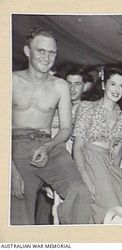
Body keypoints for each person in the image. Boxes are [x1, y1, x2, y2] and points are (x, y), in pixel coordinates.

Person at [11, 27, 91, 225]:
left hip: (50, 147)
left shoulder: (60, 85)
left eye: (52, 52)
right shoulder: (10, 81)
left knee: (79, 191)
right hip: (15, 149)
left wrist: (47, 147)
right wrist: (9, 171)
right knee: (19, 209)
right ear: (28, 52)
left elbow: (66, 129)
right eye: (41, 51)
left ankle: (72, 240)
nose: (47, 57)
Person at [73, 65, 122, 223]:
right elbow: (78, 147)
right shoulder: (87, 108)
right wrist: (84, 175)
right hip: (89, 161)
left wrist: (113, 173)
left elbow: (118, 149)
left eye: (121, 85)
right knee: (112, 208)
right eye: (113, 84)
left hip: (109, 165)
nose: (117, 89)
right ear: (103, 84)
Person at [35, 67, 90, 225]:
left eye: (77, 84)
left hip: (81, 160)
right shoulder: (53, 107)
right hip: (56, 159)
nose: (72, 89)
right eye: (68, 84)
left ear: (84, 86)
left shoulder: (89, 109)